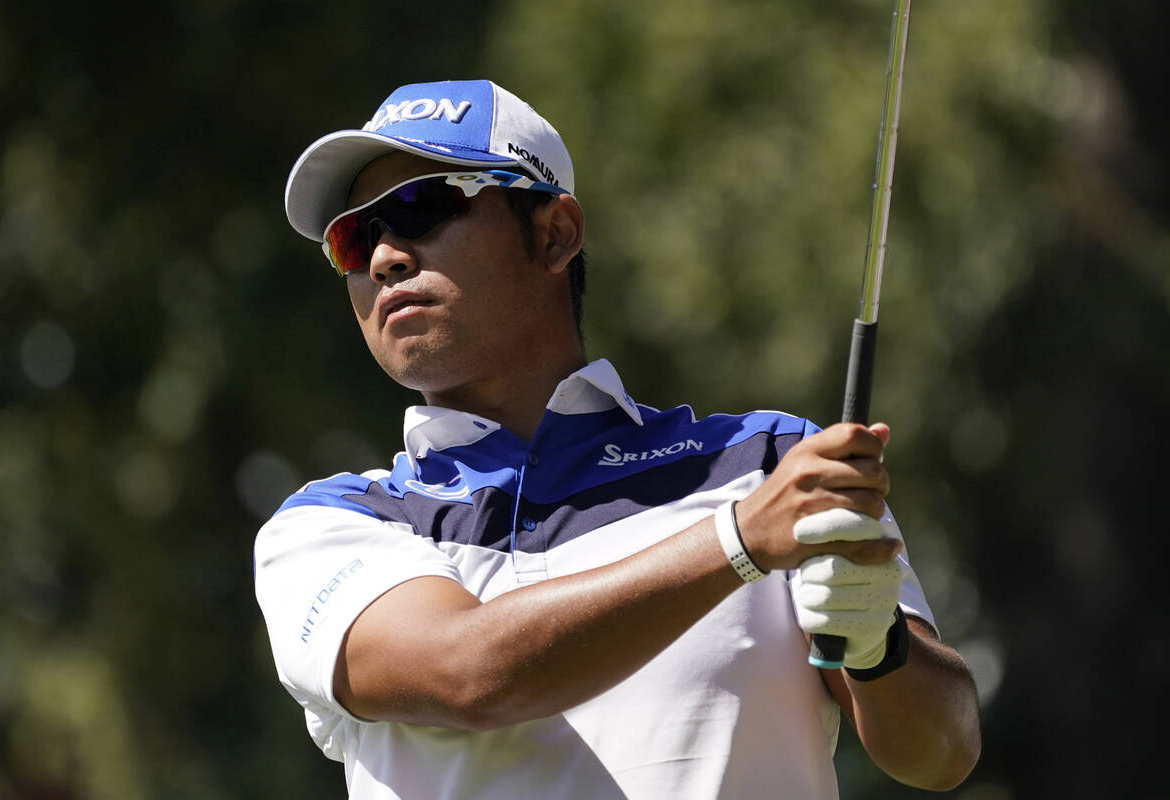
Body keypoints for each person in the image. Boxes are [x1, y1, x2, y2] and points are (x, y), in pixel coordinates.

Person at [254, 79, 980, 799]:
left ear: (553, 233)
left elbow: (942, 754)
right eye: (355, 236)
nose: (385, 258)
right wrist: (739, 542)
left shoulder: (771, 465)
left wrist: (877, 643)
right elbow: (467, 674)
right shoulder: (331, 526)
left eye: (422, 206)